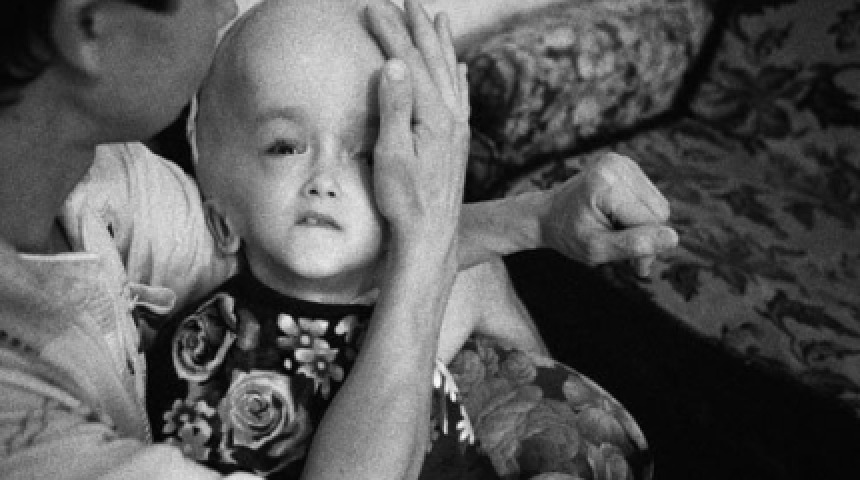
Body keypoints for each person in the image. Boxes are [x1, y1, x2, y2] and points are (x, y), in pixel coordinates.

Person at [0, 0, 677, 478]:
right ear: (88, 25)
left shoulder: (107, 184)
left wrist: (538, 218)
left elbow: (284, 254)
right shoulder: (22, 428)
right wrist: (428, 245)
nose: (226, 6)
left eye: (362, 152)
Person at [146, 1, 548, 477]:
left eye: (367, 154)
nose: (325, 179)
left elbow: (550, 400)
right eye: (285, 147)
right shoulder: (199, 354)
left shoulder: (454, 286)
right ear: (222, 219)